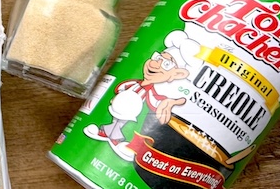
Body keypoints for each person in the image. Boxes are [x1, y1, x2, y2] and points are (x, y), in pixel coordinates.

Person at [83, 30, 199, 160]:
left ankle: (119, 141)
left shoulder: (152, 93)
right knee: (116, 121)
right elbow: (121, 88)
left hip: (134, 115)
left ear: (177, 75)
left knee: (128, 126)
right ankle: (105, 133)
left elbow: (156, 104)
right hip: (119, 108)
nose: (154, 64)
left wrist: (169, 103)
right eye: (157, 58)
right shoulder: (134, 83)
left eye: (166, 64)